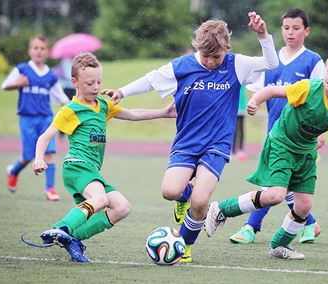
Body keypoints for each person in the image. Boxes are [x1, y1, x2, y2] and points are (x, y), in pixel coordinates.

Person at [103, 12, 279, 263]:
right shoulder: (182, 66)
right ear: (198, 49)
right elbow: (150, 80)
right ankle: (183, 198)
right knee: (169, 191)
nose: (210, 61)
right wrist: (122, 91)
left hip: (217, 146)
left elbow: (271, 63)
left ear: (226, 49)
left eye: (216, 56)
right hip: (186, 143)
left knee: (201, 200)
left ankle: (184, 246)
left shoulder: (236, 64)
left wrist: (262, 34)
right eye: (206, 56)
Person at [205, 49, 328, 260]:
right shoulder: (307, 88)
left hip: (305, 153)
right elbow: (273, 92)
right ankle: (222, 208)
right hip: (282, 144)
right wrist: (255, 101)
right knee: (275, 195)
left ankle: (279, 245)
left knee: (304, 206)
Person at [32, 52, 176, 262]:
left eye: (99, 81)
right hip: (76, 166)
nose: (96, 87)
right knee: (99, 199)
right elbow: (44, 138)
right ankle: (61, 227)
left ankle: (72, 238)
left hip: (91, 170)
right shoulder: (70, 110)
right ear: (75, 82)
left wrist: (164, 112)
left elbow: (133, 114)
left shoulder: (103, 106)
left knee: (122, 208)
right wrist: (39, 159)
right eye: (90, 83)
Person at [228, 8, 326, 246]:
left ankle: (250, 227)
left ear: (307, 31)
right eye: (286, 28)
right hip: (275, 133)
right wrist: (253, 103)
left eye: (296, 28)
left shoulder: (313, 61)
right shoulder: (271, 60)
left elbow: (322, 100)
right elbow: (259, 91)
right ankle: (310, 223)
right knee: (281, 184)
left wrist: (321, 132)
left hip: (302, 137)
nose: (290, 33)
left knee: (276, 183)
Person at [1, 36, 70, 201]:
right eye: (36, 48)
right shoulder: (22, 69)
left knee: (49, 153)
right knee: (28, 156)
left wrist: (74, 107)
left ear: (47, 52)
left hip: (46, 118)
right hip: (27, 119)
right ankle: (13, 171)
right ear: (30, 50)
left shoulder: (51, 75)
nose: (39, 51)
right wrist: (18, 84)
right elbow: (5, 85)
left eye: (42, 48)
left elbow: (61, 96)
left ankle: (50, 189)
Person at [232, 85, 248, 161]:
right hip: (234, 108)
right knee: (233, 131)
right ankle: (233, 151)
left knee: (241, 130)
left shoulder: (243, 81)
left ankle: (240, 150)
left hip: (241, 108)